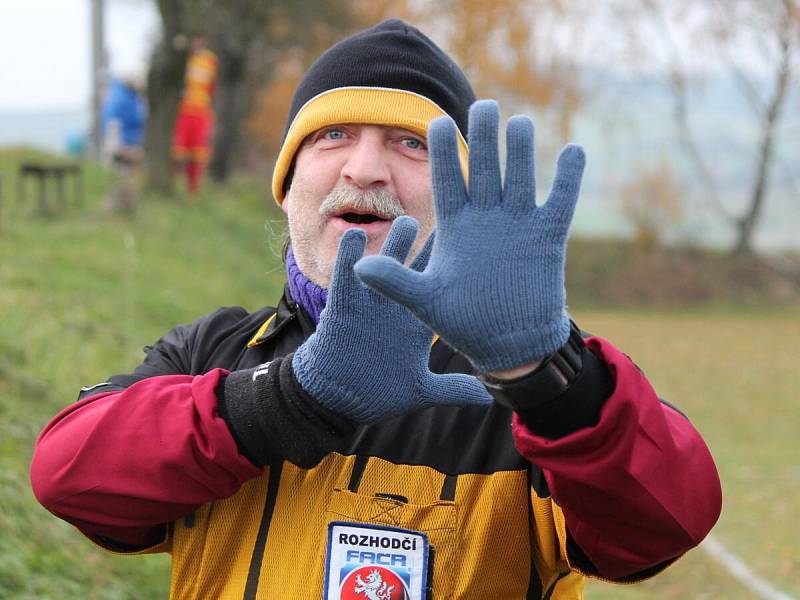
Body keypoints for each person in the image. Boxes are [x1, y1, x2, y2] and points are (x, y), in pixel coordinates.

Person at [30, 19, 721, 599]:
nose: (364, 169)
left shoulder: (523, 387)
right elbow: (68, 476)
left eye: (411, 144)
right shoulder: (216, 351)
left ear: (461, 193)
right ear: (287, 184)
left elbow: (662, 524)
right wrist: (289, 402)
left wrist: (545, 375)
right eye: (332, 137)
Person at [172, 36, 217, 195]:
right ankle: (176, 187)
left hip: (201, 112)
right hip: (183, 112)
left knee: (198, 153)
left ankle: (193, 190)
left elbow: (212, 88)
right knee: (178, 152)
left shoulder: (210, 60)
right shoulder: (181, 59)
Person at [101, 72, 147, 212]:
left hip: (132, 142)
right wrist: (119, 147)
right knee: (125, 176)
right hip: (124, 145)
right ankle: (121, 206)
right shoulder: (120, 98)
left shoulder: (129, 96)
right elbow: (112, 124)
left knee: (131, 177)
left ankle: (127, 204)